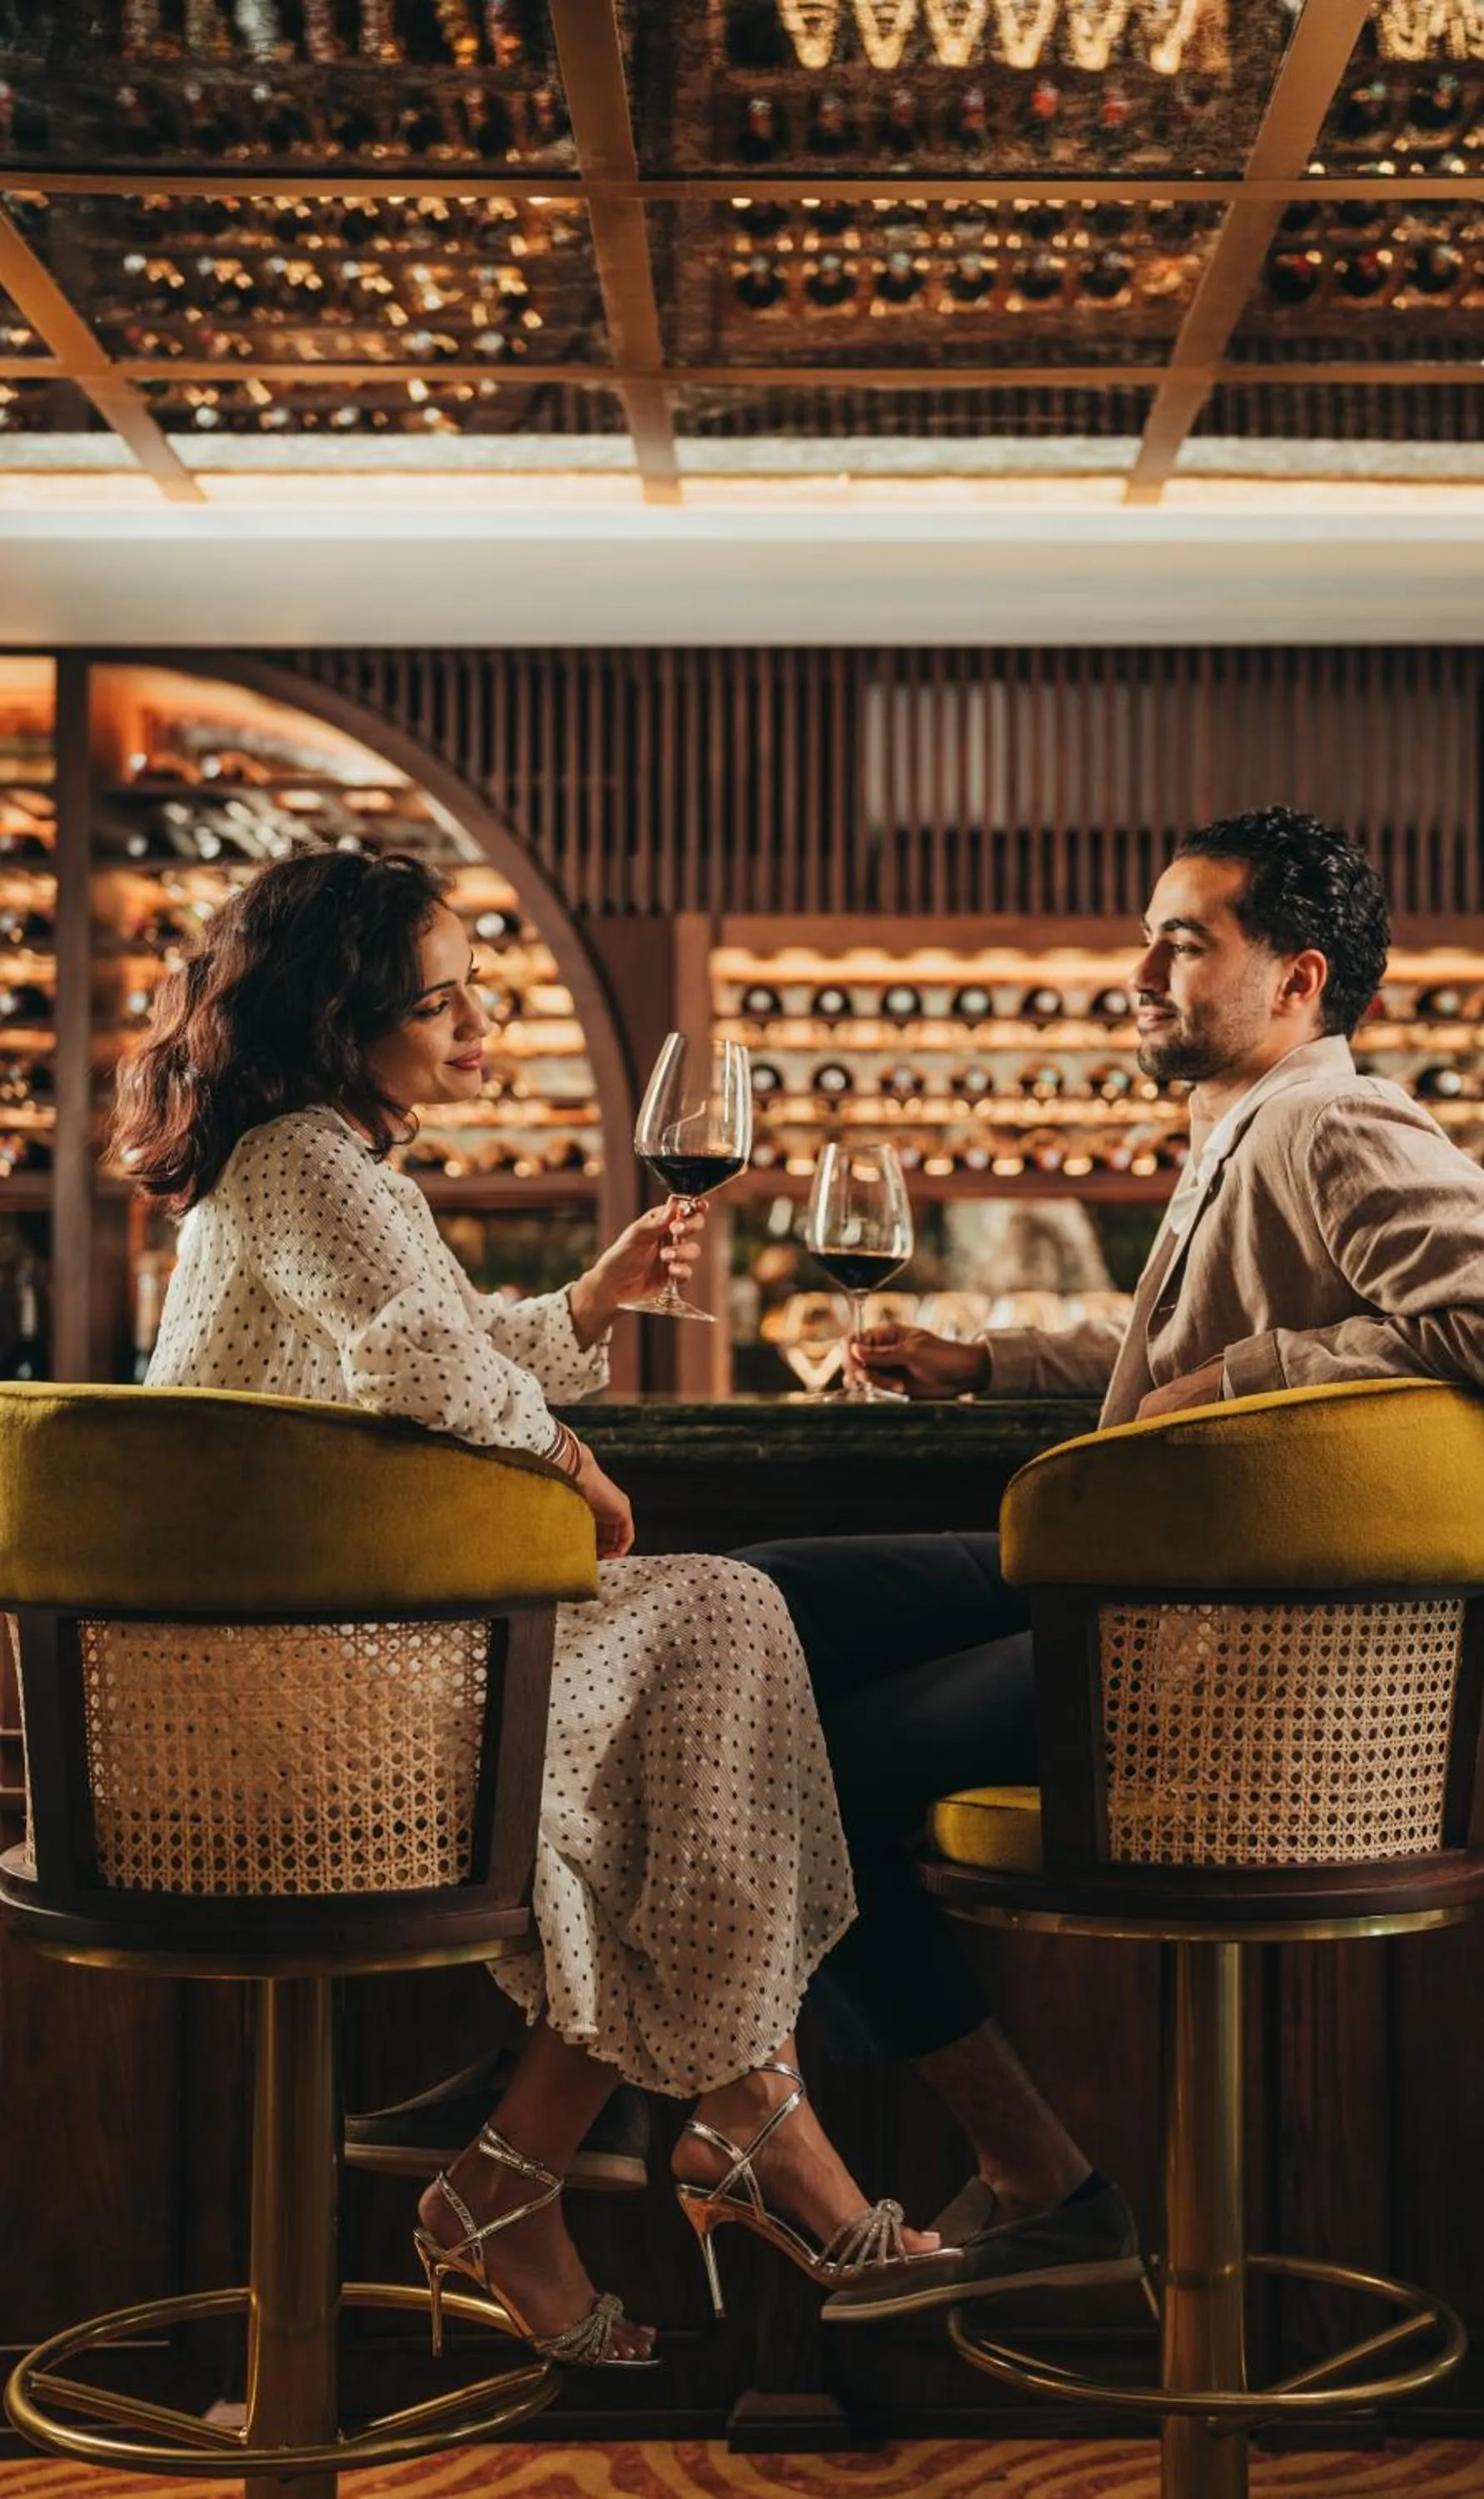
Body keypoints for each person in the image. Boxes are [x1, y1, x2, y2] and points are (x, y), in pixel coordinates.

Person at [738, 806, 1484, 2322]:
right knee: (747, 1608)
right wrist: (990, 1356)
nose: (1137, 967)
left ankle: (1035, 2181)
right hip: (1144, 1590)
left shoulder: (1333, 1123)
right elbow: (1177, 1358)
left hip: (1213, 1653)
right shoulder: (1246, 1125)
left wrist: (1259, 1375)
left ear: (1297, 977)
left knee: (784, 1771)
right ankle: (643, 2064)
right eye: (1146, 934)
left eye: (1183, 940)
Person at [113, 848, 940, 2370]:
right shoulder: (304, 1153)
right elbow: (420, 1363)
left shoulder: (319, 1160)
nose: (481, 1024)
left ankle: (548, 2167)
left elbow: (432, 1328)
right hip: (278, 1718)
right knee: (712, 1639)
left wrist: (588, 1308)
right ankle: (711, 2128)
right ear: (342, 1016)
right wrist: (569, 1457)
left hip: (309, 1668)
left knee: (695, 1673)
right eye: (447, 998)